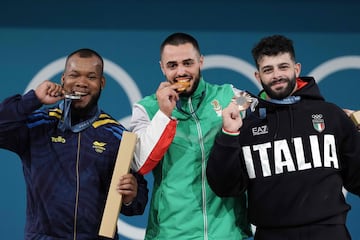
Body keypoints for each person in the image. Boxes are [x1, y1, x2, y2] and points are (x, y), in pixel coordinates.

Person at [206, 34, 360, 240]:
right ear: (257, 76)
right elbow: (225, 187)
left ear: (296, 69)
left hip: (328, 232)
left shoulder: (331, 115)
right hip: (271, 234)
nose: (277, 75)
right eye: (268, 70)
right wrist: (228, 134)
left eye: (283, 67)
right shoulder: (248, 126)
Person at [0, 48, 148, 240]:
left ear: (101, 83)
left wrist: (132, 196)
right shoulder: (39, 125)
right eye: (74, 75)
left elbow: (137, 202)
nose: (81, 83)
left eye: (91, 77)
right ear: (63, 79)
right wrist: (33, 99)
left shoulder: (117, 136)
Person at [129, 32, 252, 239]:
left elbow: (253, 99)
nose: (181, 72)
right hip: (172, 232)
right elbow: (140, 164)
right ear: (162, 67)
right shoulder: (146, 109)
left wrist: (239, 105)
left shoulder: (226, 94)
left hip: (226, 233)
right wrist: (164, 114)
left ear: (200, 61)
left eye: (188, 63)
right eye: (172, 65)